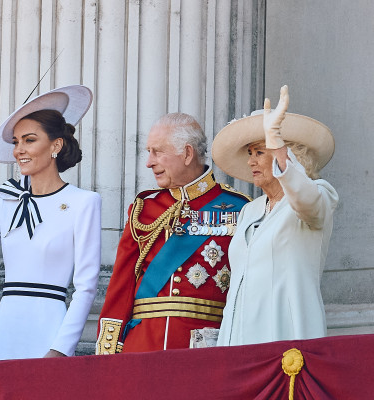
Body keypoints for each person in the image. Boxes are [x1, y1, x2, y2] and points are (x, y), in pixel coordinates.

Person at [0, 85, 101, 361]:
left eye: (29, 140)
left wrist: (62, 347)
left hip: (50, 327)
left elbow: (87, 286)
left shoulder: (84, 202)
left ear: (56, 145)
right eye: (16, 142)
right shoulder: (9, 201)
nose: (19, 150)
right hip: (6, 328)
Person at [97, 113, 250, 354]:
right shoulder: (143, 210)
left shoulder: (240, 209)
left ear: (187, 154)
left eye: (157, 152)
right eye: (149, 152)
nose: (149, 162)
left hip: (205, 351)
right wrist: (108, 354)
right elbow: (120, 290)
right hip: (142, 349)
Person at [213, 86, 338, 346]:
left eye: (260, 152)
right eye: (250, 153)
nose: (251, 161)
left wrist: (276, 144)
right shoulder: (250, 210)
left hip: (285, 338)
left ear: (290, 154)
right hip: (237, 343)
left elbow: (307, 200)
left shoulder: (319, 196)